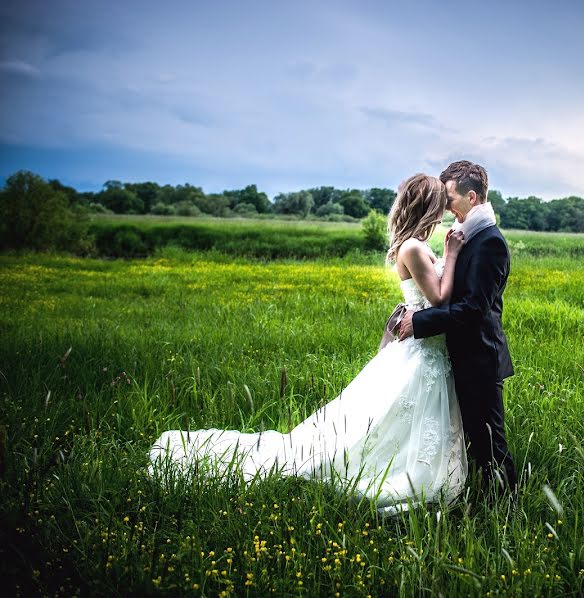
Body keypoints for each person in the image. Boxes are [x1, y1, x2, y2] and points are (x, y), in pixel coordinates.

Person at [149, 174, 467, 514]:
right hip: (419, 350)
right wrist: (453, 253)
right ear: (430, 205)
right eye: (442, 201)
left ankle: (407, 462)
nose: (448, 206)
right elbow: (438, 298)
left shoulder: (416, 244)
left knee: (399, 419)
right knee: (385, 420)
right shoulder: (415, 248)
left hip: (427, 349)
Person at [397, 161, 517, 496]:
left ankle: (506, 507)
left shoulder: (489, 242)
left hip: (479, 357)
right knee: (468, 439)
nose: (445, 205)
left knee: (490, 441)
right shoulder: (468, 236)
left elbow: (475, 309)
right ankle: (474, 496)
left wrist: (420, 321)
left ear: (473, 197)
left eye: (450, 197)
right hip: (457, 357)